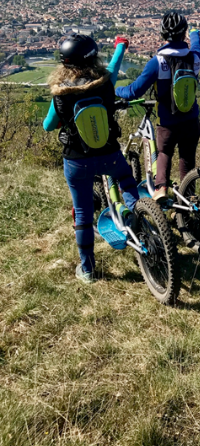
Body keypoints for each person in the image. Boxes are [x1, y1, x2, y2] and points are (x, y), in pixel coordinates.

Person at [43, 34, 138, 283]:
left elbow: (47, 126)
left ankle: (87, 270)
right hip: (109, 154)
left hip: (77, 161)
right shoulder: (105, 82)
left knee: (83, 213)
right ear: (93, 57)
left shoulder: (61, 93)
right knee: (127, 179)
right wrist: (120, 46)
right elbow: (115, 65)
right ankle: (135, 213)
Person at [115, 11, 200, 201]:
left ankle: (161, 188)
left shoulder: (158, 62)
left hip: (168, 122)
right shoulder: (194, 59)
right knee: (187, 160)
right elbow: (197, 46)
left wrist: (117, 90)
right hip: (191, 120)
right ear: (184, 33)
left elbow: (134, 92)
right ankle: (188, 199)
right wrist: (195, 32)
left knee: (164, 153)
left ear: (163, 35)